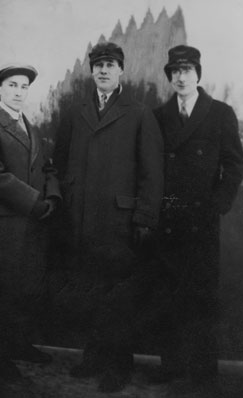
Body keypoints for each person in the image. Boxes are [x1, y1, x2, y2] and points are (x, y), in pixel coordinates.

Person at [53, 41, 164, 393]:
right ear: (91, 70)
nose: (103, 70)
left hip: (120, 221)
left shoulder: (139, 112)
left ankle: (118, 364)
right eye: (97, 64)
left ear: (121, 71)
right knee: (90, 291)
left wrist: (145, 217)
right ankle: (94, 357)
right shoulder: (74, 110)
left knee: (119, 296)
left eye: (110, 64)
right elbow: (58, 160)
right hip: (82, 217)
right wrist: (64, 200)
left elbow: (153, 172)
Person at [149, 45, 243, 388]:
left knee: (202, 296)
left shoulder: (220, 113)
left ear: (198, 74)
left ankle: (204, 371)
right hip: (168, 219)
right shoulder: (159, 116)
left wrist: (218, 203)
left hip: (202, 220)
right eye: (174, 71)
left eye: (187, 70)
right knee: (167, 294)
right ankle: (171, 366)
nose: (180, 76)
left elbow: (234, 164)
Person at [0, 63, 61, 381]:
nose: (19, 92)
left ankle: (18, 344)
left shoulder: (29, 126)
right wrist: (35, 202)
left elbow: (46, 168)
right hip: (0, 227)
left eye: (24, 87)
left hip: (29, 223)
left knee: (25, 289)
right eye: (12, 85)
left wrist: (52, 197)